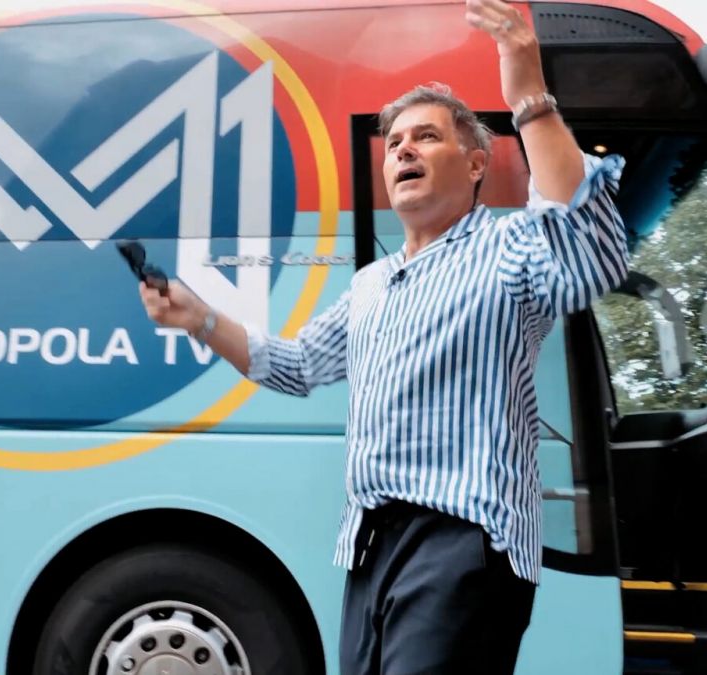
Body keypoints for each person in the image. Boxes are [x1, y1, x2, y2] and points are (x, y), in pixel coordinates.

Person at [138, 0, 628, 672]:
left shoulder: (509, 247)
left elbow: (588, 248)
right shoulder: (371, 283)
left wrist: (530, 98)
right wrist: (200, 318)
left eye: (426, 137)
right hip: (370, 545)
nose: (403, 149)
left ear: (476, 164)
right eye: (395, 142)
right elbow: (297, 364)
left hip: (463, 539)